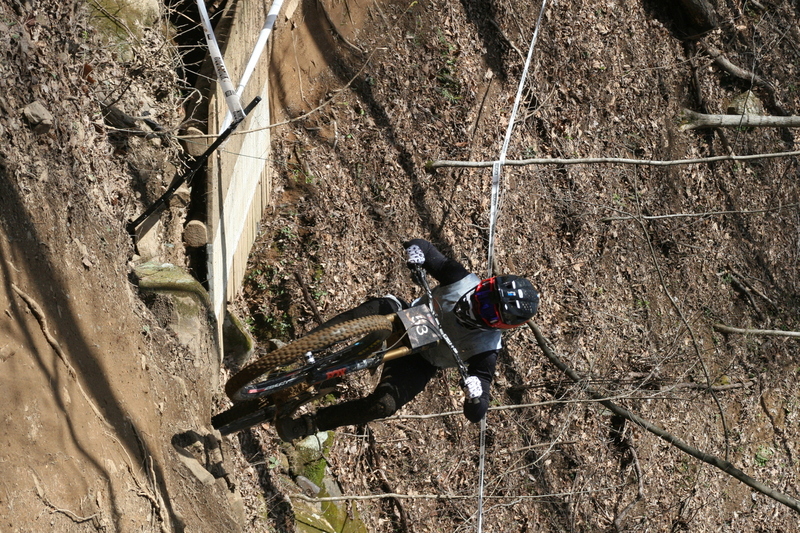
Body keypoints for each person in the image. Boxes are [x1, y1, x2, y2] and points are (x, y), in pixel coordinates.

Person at [275, 238, 540, 442]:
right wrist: (416, 253)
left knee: (384, 405)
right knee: (367, 314)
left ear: (498, 326)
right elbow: (424, 246)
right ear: (485, 284)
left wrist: (475, 395)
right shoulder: (461, 280)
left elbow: (477, 411)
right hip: (405, 315)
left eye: (488, 311)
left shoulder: (486, 348)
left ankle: (307, 425)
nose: (476, 305)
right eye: (482, 296)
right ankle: (296, 350)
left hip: (422, 360)